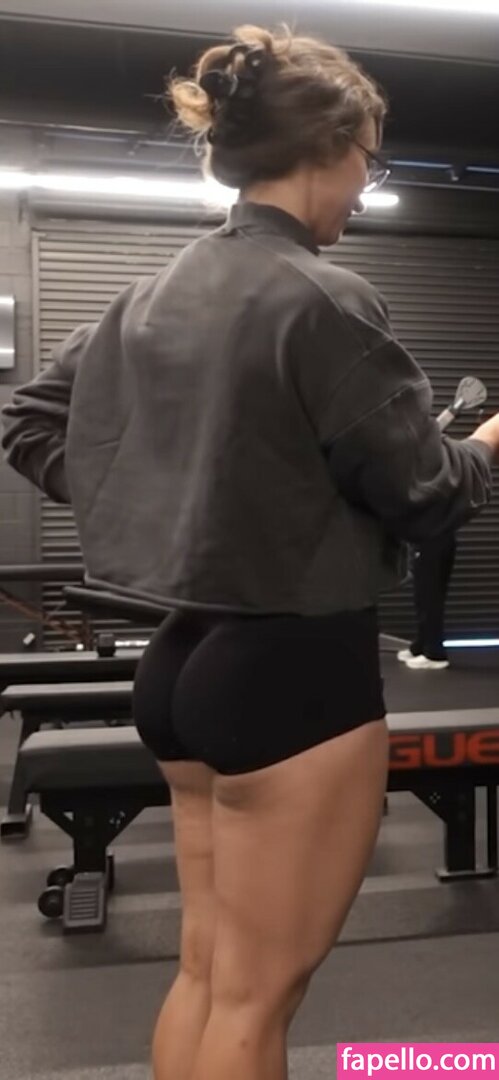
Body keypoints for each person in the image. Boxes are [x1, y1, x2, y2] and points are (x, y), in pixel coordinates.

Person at [2, 23, 499, 1080]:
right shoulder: (325, 297)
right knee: (257, 997)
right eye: (370, 161)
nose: (365, 186)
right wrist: (488, 446)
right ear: (333, 145)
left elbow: (27, 421)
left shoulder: (151, 291)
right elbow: (425, 496)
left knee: (209, 973)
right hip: (293, 674)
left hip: (183, 666)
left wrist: (160, 486)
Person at [398, 531, 457, 669]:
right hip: (428, 540)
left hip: (434, 539)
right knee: (422, 595)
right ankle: (423, 644)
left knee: (430, 596)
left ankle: (435, 654)